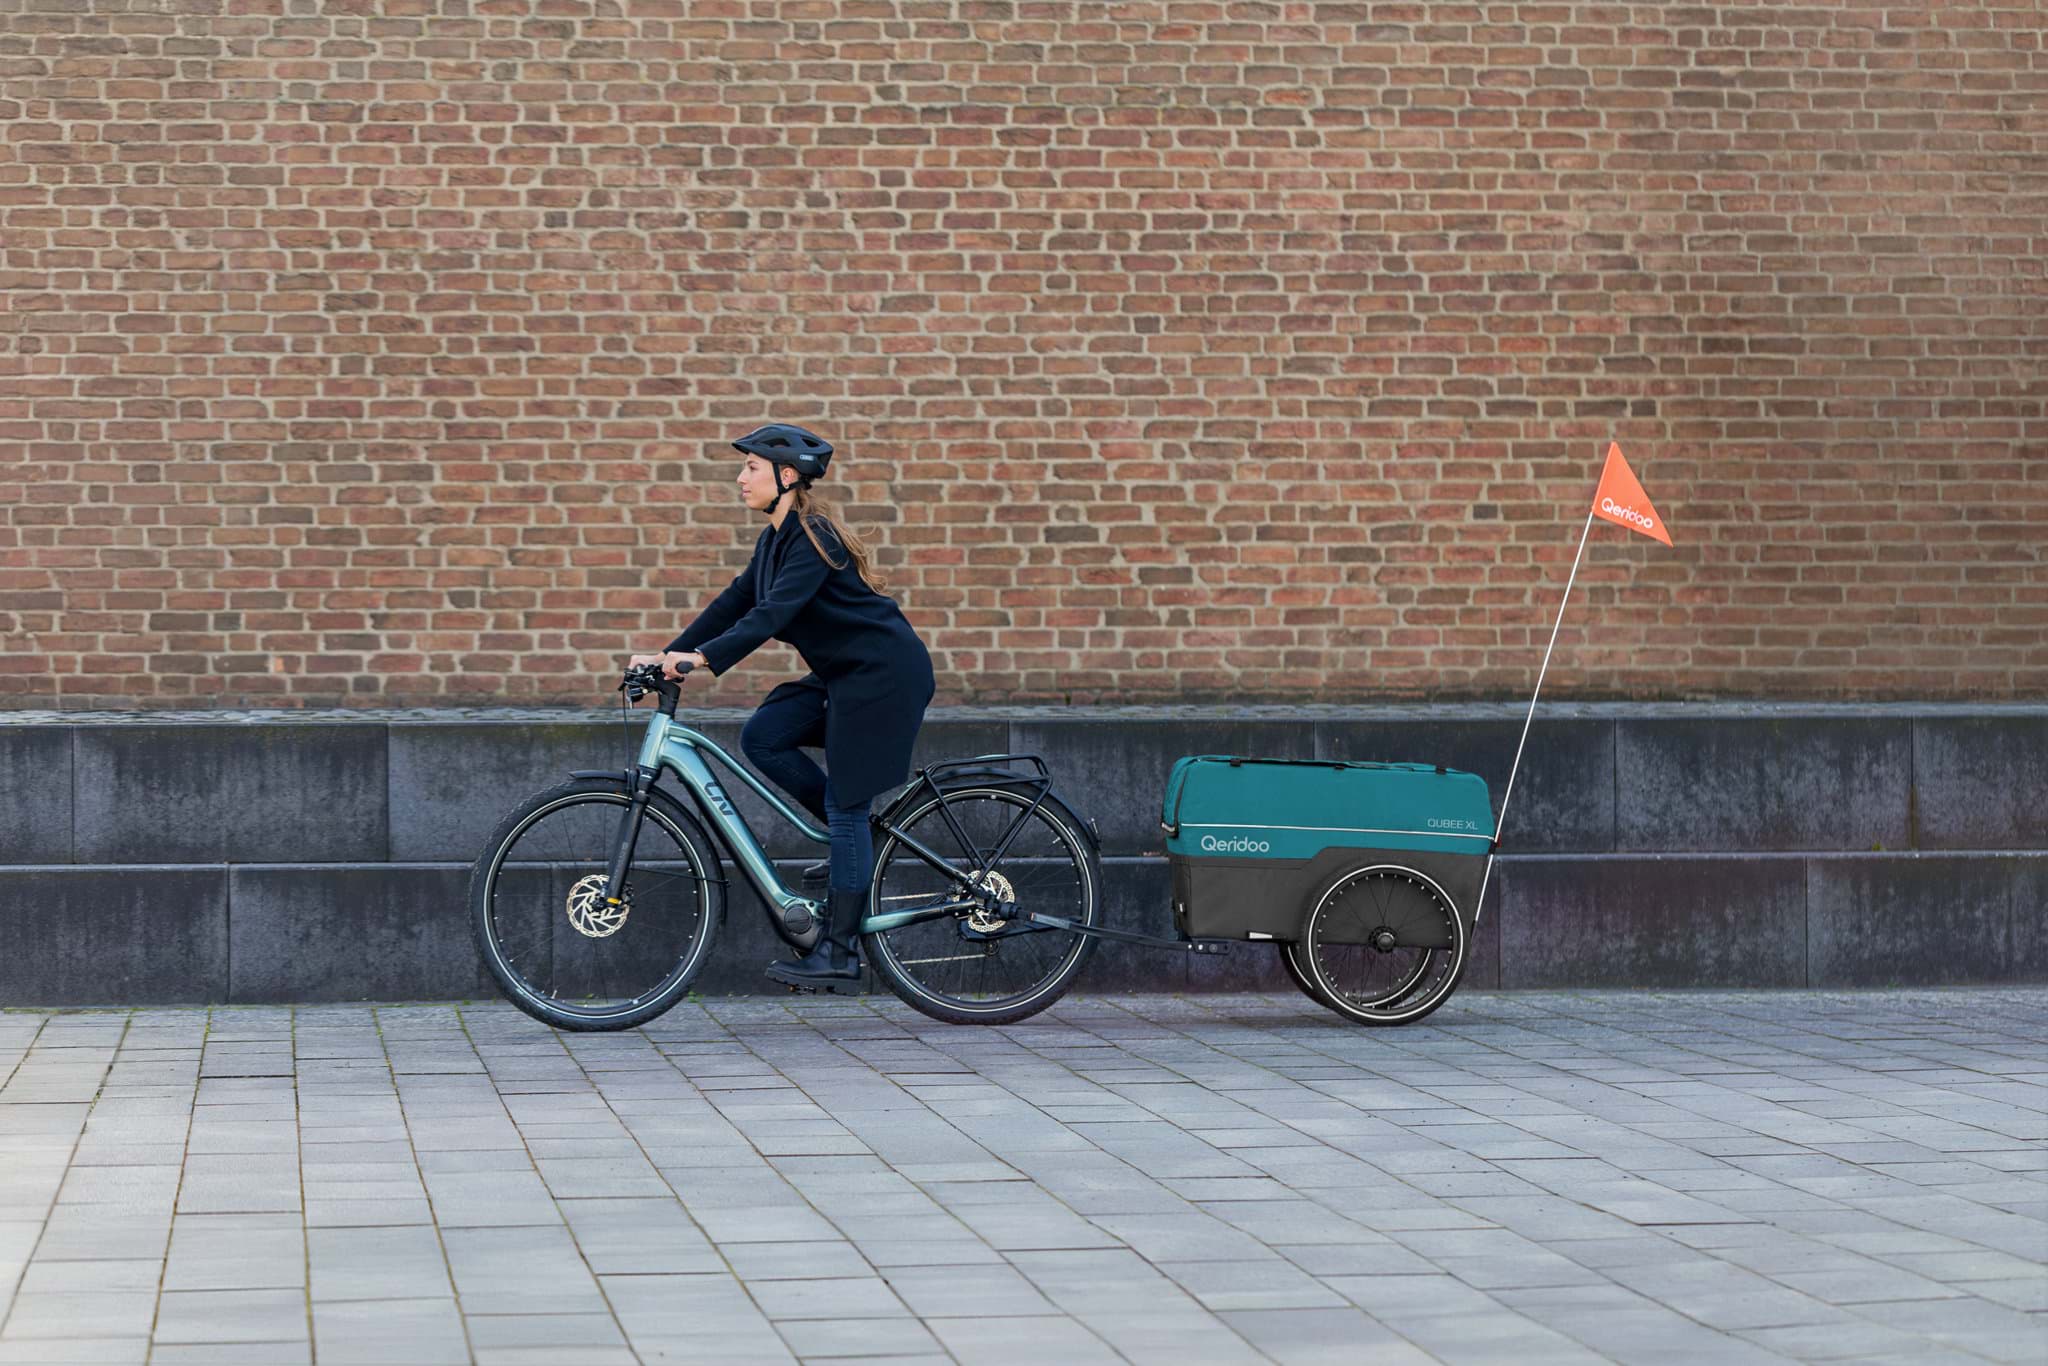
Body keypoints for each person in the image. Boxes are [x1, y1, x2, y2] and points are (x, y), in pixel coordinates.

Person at [629, 424, 935, 992]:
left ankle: (839, 954)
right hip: (844, 677)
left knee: (845, 806)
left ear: (787, 476)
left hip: (883, 680)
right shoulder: (775, 540)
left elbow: (770, 616)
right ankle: (855, 843)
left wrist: (702, 661)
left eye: (751, 468)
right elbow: (734, 602)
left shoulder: (814, 538)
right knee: (765, 735)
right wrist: (668, 655)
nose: (740, 478)